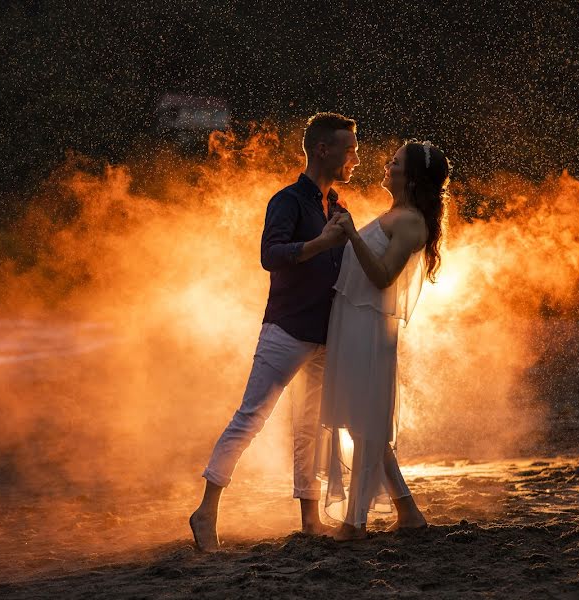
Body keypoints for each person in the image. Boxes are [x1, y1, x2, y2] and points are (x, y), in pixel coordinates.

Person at [190, 113, 361, 552]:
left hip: (325, 335)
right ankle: (206, 511)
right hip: (285, 329)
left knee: (311, 429)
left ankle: (309, 518)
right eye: (349, 149)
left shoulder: (338, 207)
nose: (355, 158)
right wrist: (323, 243)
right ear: (323, 149)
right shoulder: (287, 201)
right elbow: (270, 255)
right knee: (251, 418)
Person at [318, 140, 451, 541]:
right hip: (353, 316)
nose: (387, 165)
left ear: (409, 177)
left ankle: (354, 522)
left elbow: (382, 277)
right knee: (365, 418)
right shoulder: (397, 213)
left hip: (369, 323)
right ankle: (407, 511)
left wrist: (352, 235)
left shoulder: (410, 221)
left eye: (394, 162)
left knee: (366, 422)